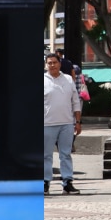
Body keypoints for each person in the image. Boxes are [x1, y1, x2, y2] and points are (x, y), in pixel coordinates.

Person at [43, 52, 81, 195]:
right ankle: (45, 182)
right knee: (46, 155)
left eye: (55, 62)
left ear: (60, 63)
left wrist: (77, 121)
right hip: (47, 123)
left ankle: (67, 182)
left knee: (65, 154)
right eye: (49, 63)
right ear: (46, 65)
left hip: (66, 123)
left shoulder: (68, 80)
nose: (52, 65)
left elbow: (75, 101)